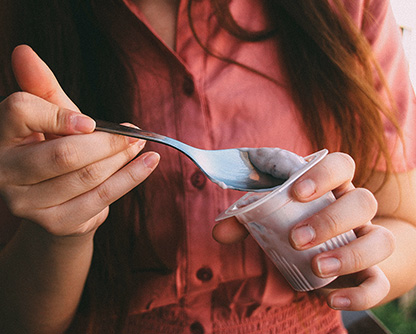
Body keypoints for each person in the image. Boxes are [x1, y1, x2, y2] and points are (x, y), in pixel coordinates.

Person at [0, 0, 415, 333]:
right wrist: (62, 232)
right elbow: (18, 321)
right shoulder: (22, 24)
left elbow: (407, 229)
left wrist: (349, 260)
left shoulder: (345, 8)